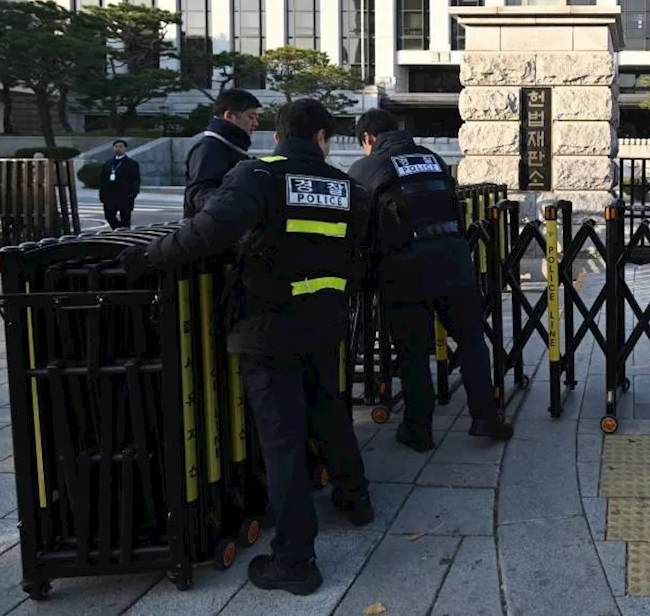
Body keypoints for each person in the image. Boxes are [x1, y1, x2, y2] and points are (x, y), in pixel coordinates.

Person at [120, 99, 372, 595]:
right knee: (329, 413)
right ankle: (355, 499)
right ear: (322, 138)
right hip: (324, 321)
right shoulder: (349, 189)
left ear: (279, 136)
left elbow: (207, 231)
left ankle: (295, 560)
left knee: (280, 439)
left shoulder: (258, 176)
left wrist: (148, 257)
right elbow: (359, 250)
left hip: (267, 327)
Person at [348, 108, 514, 452]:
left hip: (404, 269)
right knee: (471, 341)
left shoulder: (369, 166)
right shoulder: (433, 159)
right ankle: (486, 417)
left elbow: (358, 221)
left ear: (367, 138)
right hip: (454, 261)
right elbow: (456, 210)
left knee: (413, 352)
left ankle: (418, 429)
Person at [185, 88, 261, 219]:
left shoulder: (231, 147)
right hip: (209, 232)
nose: (255, 124)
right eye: (251, 117)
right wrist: (239, 203)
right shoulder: (210, 147)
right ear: (229, 116)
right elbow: (198, 193)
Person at [99, 139, 141, 229]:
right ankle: (118, 230)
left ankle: (124, 234)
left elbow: (136, 179)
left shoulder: (131, 163)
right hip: (110, 195)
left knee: (125, 218)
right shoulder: (108, 163)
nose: (118, 149)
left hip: (125, 194)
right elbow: (103, 179)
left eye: (120, 147)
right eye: (116, 147)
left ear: (125, 149)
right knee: (109, 216)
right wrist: (101, 194)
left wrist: (134, 192)